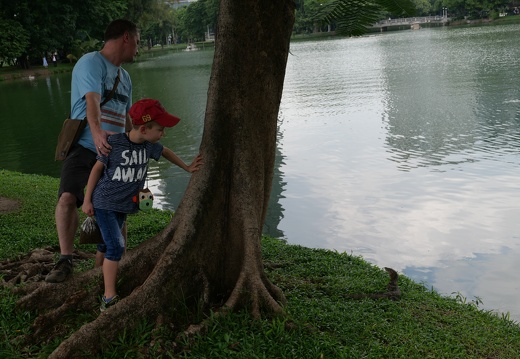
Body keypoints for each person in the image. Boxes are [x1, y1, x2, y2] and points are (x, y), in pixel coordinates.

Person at [82, 98, 203, 311]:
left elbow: (165, 152)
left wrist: (186, 167)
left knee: (106, 243)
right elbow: (97, 169)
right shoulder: (115, 143)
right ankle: (109, 297)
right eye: (160, 129)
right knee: (116, 246)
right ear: (144, 128)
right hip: (104, 202)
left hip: (123, 205)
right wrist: (86, 199)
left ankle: (97, 273)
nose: (162, 133)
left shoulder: (149, 146)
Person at [45, 19, 141, 283]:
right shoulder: (90, 62)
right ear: (125, 37)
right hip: (86, 147)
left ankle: (115, 261)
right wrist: (98, 134)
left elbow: (127, 117)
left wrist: (135, 144)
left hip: (114, 152)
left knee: (117, 205)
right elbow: (92, 101)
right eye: (137, 41)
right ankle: (65, 260)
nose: (138, 48)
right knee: (67, 198)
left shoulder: (126, 77)